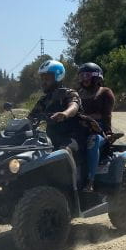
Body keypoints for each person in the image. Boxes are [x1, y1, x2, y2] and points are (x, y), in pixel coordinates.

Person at [28, 60, 103, 191]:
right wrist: (22, 124)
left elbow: (74, 106)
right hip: (51, 138)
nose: (43, 82)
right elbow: (31, 117)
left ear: (58, 76)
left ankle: (73, 188)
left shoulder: (69, 93)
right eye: (42, 78)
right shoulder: (44, 100)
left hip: (73, 137)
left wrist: (65, 114)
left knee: (64, 153)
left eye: (47, 78)